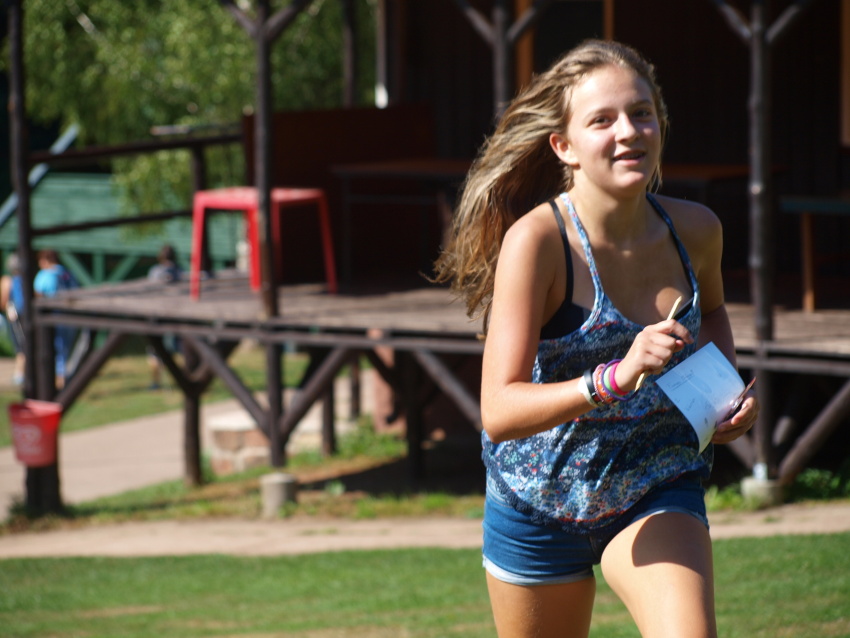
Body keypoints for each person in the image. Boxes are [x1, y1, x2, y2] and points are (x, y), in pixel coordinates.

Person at [433, 40, 759, 638]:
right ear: (564, 146)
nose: (628, 131)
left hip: (655, 483)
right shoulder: (538, 243)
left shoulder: (696, 230)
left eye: (641, 113)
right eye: (602, 120)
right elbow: (498, 411)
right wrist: (615, 377)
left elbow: (711, 313)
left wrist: (722, 398)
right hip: (538, 502)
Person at [33, 249, 78, 388]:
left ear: (45, 260)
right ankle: (64, 380)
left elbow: (38, 294)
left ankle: (57, 384)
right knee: (65, 350)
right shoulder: (67, 273)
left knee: (53, 350)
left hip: (52, 318)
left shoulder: (45, 274)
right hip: (70, 317)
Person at [146, 244, 181, 389]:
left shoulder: (155, 271)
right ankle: (178, 380)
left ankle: (156, 382)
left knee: (155, 350)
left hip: (156, 315)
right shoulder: (180, 271)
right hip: (173, 315)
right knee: (172, 348)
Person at [0, 253, 26, 386]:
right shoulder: (27, 279)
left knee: (21, 345)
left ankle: (20, 374)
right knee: (24, 343)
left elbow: (3, 302)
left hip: (16, 316)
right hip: (26, 315)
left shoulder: (8, 280)